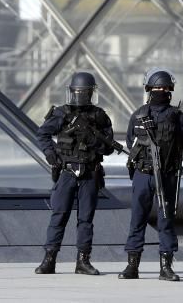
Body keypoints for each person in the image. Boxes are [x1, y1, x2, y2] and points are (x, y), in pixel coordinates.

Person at [34, 71, 114, 276]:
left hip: (90, 173)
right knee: (59, 215)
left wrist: (91, 140)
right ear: (71, 92)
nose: (81, 96)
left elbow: (108, 148)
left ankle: (83, 261)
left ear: (91, 93)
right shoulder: (62, 113)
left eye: (85, 92)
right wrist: (51, 154)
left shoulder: (100, 116)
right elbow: (42, 134)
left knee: (85, 219)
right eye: (78, 92)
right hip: (66, 172)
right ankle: (49, 260)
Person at [119, 68, 183, 282]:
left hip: (167, 176)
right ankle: (132, 266)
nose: (161, 91)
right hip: (143, 174)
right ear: (150, 89)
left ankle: (165, 267)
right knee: (137, 219)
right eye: (157, 88)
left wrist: (169, 164)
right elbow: (131, 142)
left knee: (166, 220)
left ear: (170, 90)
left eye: (164, 88)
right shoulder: (139, 115)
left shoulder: (178, 117)